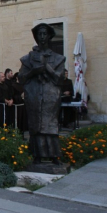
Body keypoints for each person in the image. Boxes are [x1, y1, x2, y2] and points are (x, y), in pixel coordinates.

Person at [19, 23, 65, 165]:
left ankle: (54, 156)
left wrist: (47, 68)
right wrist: (33, 72)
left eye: (45, 34)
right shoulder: (28, 58)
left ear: (50, 36)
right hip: (34, 94)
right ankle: (36, 155)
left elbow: (59, 79)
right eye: (40, 34)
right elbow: (21, 78)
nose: (42, 37)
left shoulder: (58, 58)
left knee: (50, 124)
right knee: (36, 125)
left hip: (50, 96)